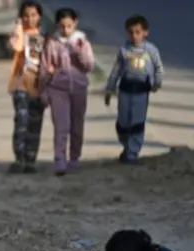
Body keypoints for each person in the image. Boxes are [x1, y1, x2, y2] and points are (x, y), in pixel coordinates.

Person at [39, 8, 95, 176]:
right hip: (58, 89)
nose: (66, 30)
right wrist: (44, 90)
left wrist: (79, 51)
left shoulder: (82, 42)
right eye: (62, 26)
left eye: (69, 26)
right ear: (57, 25)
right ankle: (59, 159)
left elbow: (89, 66)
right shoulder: (52, 42)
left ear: (75, 23)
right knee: (61, 126)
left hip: (78, 88)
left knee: (77, 126)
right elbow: (44, 67)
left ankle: (75, 157)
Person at [104, 15, 163, 164]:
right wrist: (110, 89)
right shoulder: (124, 50)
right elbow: (116, 71)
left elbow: (158, 68)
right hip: (125, 90)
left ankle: (132, 152)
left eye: (138, 32)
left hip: (141, 92)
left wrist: (157, 83)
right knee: (123, 122)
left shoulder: (151, 50)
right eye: (131, 32)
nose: (134, 35)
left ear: (145, 32)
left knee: (137, 122)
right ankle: (126, 145)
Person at [7, 0, 46, 174]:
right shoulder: (20, 35)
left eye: (33, 15)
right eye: (26, 15)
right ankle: (19, 158)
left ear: (39, 17)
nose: (30, 19)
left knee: (35, 123)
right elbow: (16, 46)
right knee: (21, 122)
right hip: (20, 85)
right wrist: (19, 27)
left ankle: (31, 159)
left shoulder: (45, 38)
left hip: (38, 86)